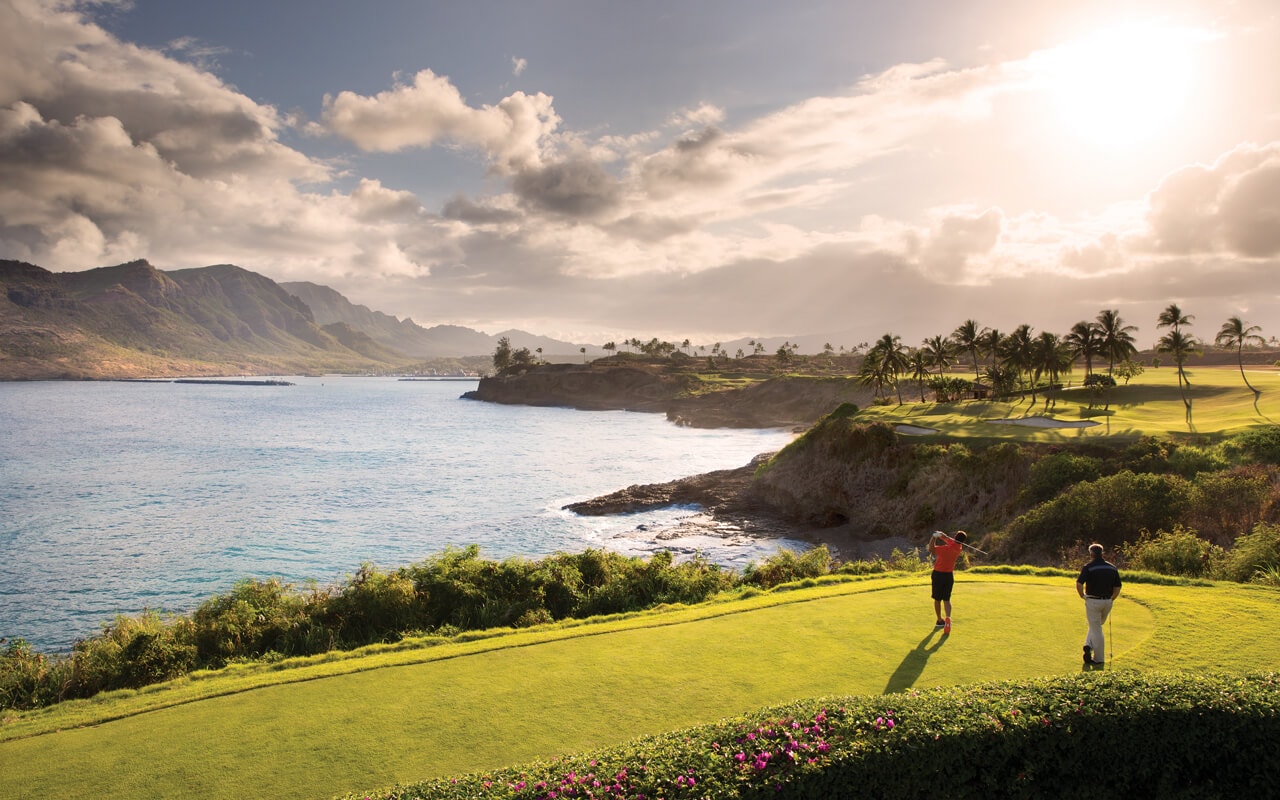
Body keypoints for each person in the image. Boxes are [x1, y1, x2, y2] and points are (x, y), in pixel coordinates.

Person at [1076, 543, 1122, 666]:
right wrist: (1112, 599)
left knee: (1096, 628)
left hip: (1093, 601)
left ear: (1091, 554)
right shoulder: (1112, 568)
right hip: (1107, 601)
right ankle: (1088, 645)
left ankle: (1099, 659)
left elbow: (1079, 584)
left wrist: (1083, 595)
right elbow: (1117, 586)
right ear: (1102, 553)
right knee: (1096, 624)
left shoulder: (1088, 567)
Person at [928, 530, 966, 634]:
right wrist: (942, 536)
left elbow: (931, 549)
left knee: (937, 599)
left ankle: (940, 620)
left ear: (955, 536)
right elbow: (950, 541)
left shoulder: (946, 549)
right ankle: (948, 618)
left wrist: (933, 537)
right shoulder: (958, 548)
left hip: (938, 575)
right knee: (947, 600)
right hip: (949, 576)